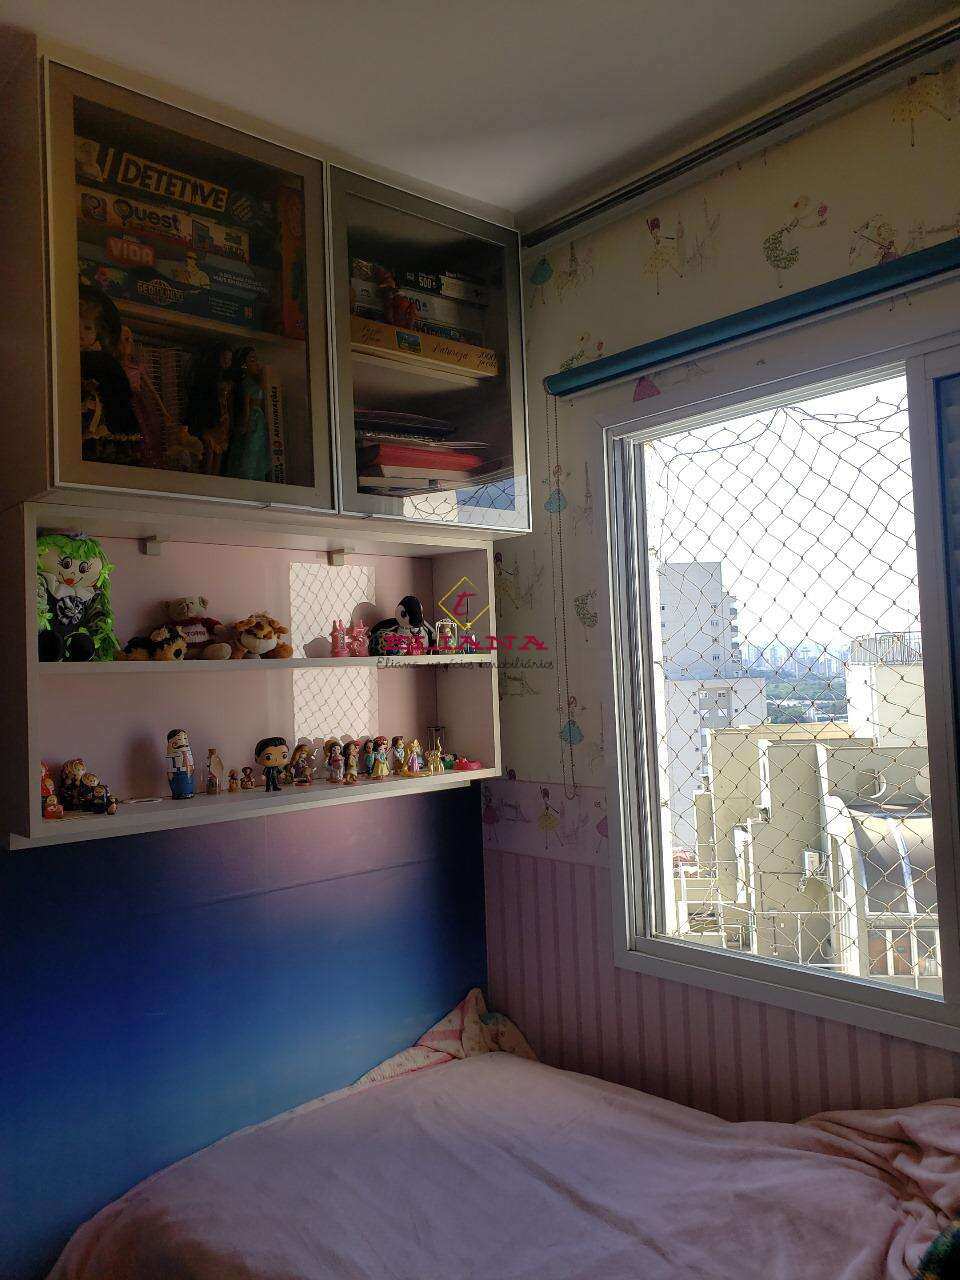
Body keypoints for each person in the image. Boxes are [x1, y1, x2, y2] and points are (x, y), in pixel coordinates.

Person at [165, 729, 195, 799]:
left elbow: (190, 762)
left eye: (185, 739)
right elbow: (169, 764)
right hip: (176, 773)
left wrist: (191, 768)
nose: (183, 743)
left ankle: (188, 792)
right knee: (178, 784)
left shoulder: (187, 751)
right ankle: (179, 793)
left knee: (188, 782)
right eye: (179, 739)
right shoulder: (171, 754)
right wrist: (170, 773)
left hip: (187, 772)